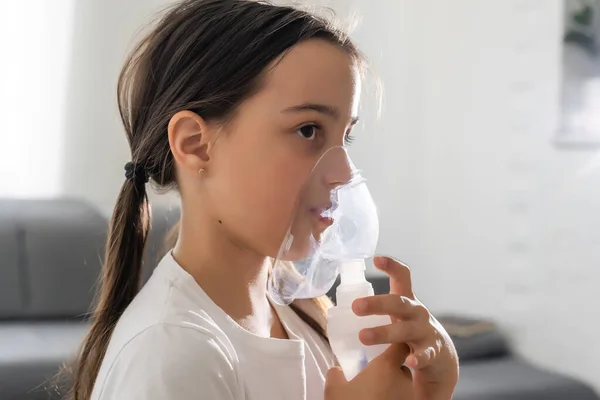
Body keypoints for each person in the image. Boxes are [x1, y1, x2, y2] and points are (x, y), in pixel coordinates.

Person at [66, 1, 459, 399]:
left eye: (345, 138)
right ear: (196, 145)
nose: (342, 176)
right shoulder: (171, 356)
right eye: (308, 131)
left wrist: (432, 391)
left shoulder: (299, 312)